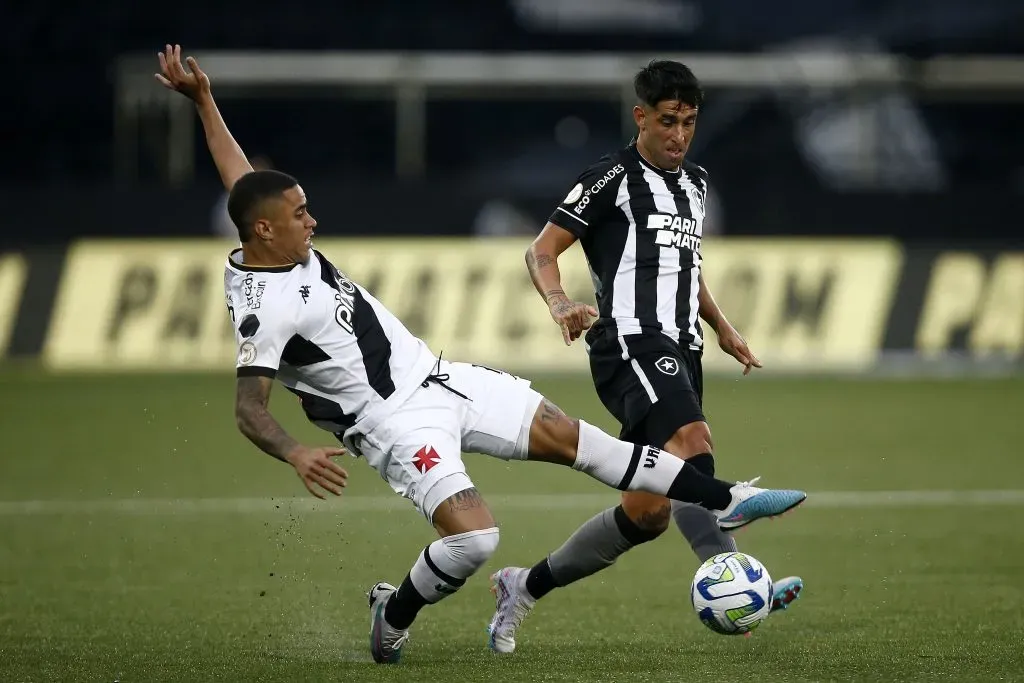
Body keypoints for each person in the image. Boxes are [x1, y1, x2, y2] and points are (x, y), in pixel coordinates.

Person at [155, 45, 806, 665]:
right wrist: (293, 450)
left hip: (438, 377)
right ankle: (396, 612)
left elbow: (245, 184)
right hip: (394, 424)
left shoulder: (268, 230)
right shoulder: (263, 306)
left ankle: (722, 498)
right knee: (474, 540)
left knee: (577, 441)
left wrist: (204, 102)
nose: (313, 222)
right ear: (266, 230)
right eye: (300, 215)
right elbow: (249, 406)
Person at [487, 60, 804, 654]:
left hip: (681, 346)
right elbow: (541, 250)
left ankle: (522, 586)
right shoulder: (609, 177)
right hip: (629, 342)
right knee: (693, 442)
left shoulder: (696, 183)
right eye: (668, 121)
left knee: (650, 509)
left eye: (689, 122)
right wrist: (558, 303)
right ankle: (732, 547)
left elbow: (686, 265)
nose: (680, 135)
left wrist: (723, 327)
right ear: (641, 117)